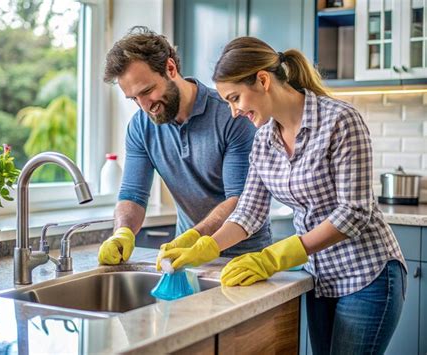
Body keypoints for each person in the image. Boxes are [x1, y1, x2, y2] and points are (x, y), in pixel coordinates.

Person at [158, 36, 407, 354]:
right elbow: (248, 212)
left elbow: (353, 212)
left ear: (262, 80)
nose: (234, 112)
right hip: (319, 277)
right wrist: (205, 247)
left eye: (235, 98)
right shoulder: (263, 141)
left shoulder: (340, 121)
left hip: (368, 275)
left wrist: (274, 258)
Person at [97, 27, 271, 266]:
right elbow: (133, 195)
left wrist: (195, 237)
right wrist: (122, 232)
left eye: (147, 91)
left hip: (246, 257)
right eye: (134, 98)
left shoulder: (232, 115)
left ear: (170, 68)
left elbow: (239, 199)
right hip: (185, 257)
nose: (145, 105)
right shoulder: (140, 127)